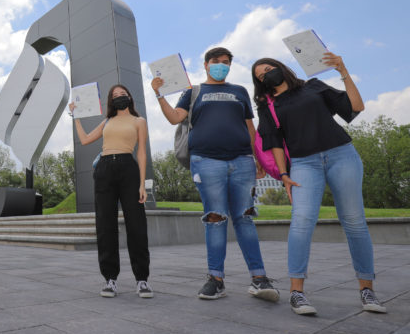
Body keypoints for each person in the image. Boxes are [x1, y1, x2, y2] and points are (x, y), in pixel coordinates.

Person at [252, 54, 386, 315]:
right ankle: (297, 293)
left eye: (268, 69)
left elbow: (356, 107)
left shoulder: (313, 86)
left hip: (342, 155)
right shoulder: (267, 105)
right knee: (301, 222)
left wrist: (343, 70)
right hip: (304, 164)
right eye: (261, 76)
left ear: (280, 67)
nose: (266, 75)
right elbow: (274, 142)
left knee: (354, 221)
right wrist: (283, 175)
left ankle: (367, 290)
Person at [151, 47, 278, 302]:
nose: (221, 65)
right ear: (206, 64)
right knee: (215, 218)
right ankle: (216, 280)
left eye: (226, 62)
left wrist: (257, 157)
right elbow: (175, 118)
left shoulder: (239, 91)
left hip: (242, 161)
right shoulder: (193, 92)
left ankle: (259, 278)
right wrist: (159, 94)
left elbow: (250, 127)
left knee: (245, 217)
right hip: (206, 161)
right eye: (216, 61)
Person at [71, 84, 153, 298]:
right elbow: (85, 139)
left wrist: (142, 183)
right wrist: (76, 118)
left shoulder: (139, 121)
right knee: (105, 225)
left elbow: (141, 152)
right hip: (105, 169)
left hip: (128, 168)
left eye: (122, 94)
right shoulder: (107, 121)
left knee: (136, 225)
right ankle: (110, 279)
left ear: (129, 97)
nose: (119, 97)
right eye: (115, 95)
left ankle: (142, 279)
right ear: (110, 101)